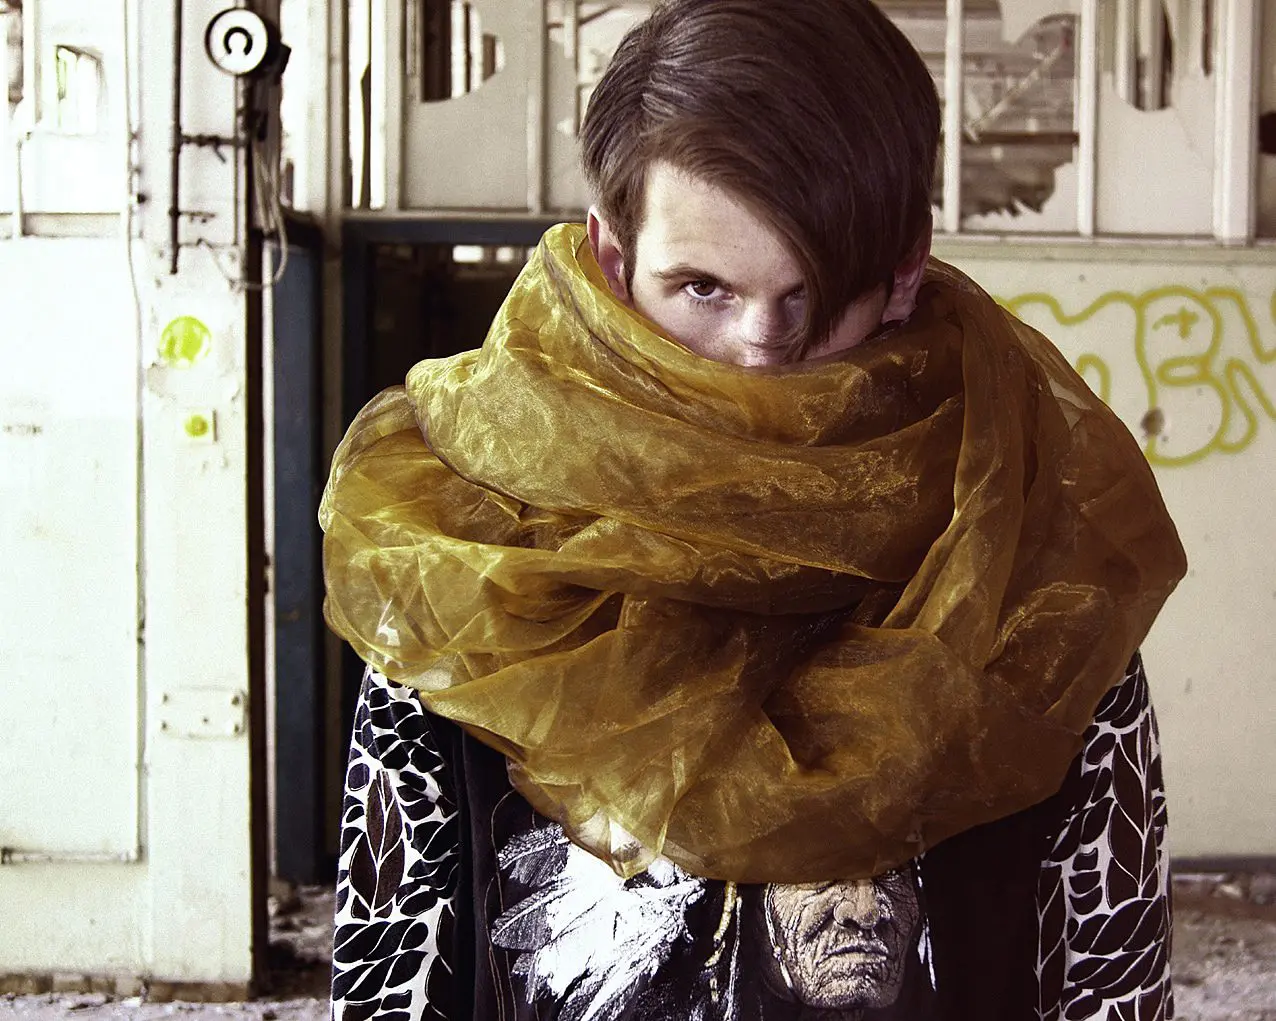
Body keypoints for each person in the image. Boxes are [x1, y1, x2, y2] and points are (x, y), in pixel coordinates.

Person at [320, 1, 1187, 1018]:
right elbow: (393, 979)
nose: (761, 350)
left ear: (903, 271)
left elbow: (1108, 979)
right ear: (613, 262)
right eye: (702, 288)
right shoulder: (466, 566)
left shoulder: (1038, 590)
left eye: (814, 291)